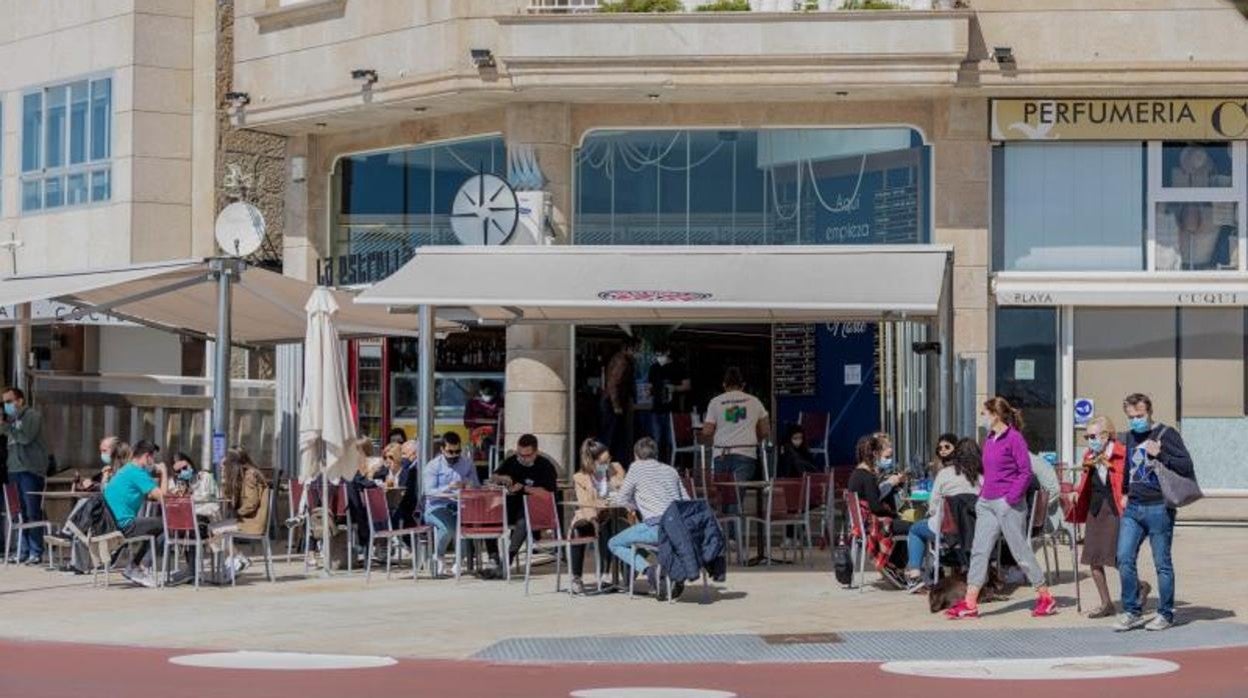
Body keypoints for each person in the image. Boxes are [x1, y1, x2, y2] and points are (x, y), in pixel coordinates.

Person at [947, 397, 1055, 620]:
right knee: (979, 550)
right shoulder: (990, 439)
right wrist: (983, 495)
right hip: (987, 501)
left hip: (1008, 503)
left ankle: (1045, 596)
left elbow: (1025, 472)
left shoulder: (1014, 438)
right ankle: (970, 602)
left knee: (1020, 551)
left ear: (995, 415)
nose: (982, 418)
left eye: (984, 414)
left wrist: (1010, 498)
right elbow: (989, 472)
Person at [1115, 393, 1194, 632]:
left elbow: (1186, 465)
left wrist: (1160, 453)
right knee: (1123, 557)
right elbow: (1129, 466)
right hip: (1134, 506)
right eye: (1131, 417)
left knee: (1162, 563)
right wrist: (1125, 491)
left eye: (1140, 416)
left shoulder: (1166, 434)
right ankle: (1132, 610)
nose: (1136, 421)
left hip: (1159, 506)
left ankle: (1166, 612)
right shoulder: (1129, 437)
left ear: (1149, 412)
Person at [607, 437, 689, 597]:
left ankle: (650, 571)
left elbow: (622, 499)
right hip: (678, 528)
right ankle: (671, 572)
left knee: (614, 543)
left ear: (636, 455)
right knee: (659, 545)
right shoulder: (670, 470)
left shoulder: (636, 468)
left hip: (656, 527)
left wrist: (636, 506)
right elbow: (685, 500)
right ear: (656, 454)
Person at [1069, 416, 1128, 619]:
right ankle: (1106, 603)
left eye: (1092, 435)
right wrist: (1076, 491)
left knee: (1117, 557)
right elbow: (1085, 479)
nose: (1089, 439)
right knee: (1093, 558)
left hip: (1114, 509)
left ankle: (1137, 587)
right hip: (1095, 510)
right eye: (1087, 436)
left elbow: (1125, 480)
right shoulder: (1090, 455)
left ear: (1105, 435)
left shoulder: (1121, 453)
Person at [904, 437, 982, 592]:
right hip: (975, 529)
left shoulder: (945, 473)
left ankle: (915, 575)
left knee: (915, 529)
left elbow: (933, 506)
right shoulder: (981, 477)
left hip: (947, 528)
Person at [482, 433, 560, 579]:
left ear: (535, 452)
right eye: (520, 454)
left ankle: (508, 559)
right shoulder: (513, 461)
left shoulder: (545, 466)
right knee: (490, 514)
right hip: (512, 504)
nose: (523, 458)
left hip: (535, 508)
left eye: (527, 455)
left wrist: (524, 488)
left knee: (524, 519)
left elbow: (548, 494)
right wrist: (502, 478)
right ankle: (493, 558)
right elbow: (494, 476)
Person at [847, 433, 910, 588]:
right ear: (875, 454)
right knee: (912, 528)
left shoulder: (855, 474)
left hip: (861, 525)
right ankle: (893, 565)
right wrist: (892, 513)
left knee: (901, 524)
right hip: (871, 525)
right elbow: (875, 507)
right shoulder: (867, 477)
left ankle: (893, 566)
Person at [101, 440, 168, 587]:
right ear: (146, 456)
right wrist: (164, 472)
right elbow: (163, 497)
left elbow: (150, 494)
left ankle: (137, 565)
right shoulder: (137, 473)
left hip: (111, 523)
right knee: (166, 524)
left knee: (153, 527)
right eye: (153, 458)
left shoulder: (126, 470)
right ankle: (138, 567)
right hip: (124, 524)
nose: (154, 462)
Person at [569, 438, 626, 595]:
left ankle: (606, 575)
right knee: (579, 529)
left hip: (615, 513)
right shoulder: (580, 477)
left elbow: (625, 490)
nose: (607, 463)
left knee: (607, 525)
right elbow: (585, 503)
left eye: (609, 459)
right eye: (603, 461)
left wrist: (609, 481)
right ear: (591, 461)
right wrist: (594, 518)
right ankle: (576, 578)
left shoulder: (616, 468)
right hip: (591, 515)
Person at [0, 387, 50, 565]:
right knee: (17, 512)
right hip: (13, 470)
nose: (6, 405)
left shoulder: (31, 416)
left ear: (19, 400)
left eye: (8, 401)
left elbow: (25, 438)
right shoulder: (11, 420)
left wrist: (5, 427)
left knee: (32, 511)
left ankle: (36, 551)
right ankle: (22, 551)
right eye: (4, 402)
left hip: (30, 470)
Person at [421, 432, 480, 576]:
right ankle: (439, 556)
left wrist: (468, 483)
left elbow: (477, 486)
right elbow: (428, 491)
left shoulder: (466, 463)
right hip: (436, 506)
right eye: (450, 451)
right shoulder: (433, 466)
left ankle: (459, 560)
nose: (454, 455)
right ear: (442, 449)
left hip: (461, 505)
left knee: (467, 528)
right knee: (450, 529)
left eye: (457, 451)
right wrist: (449, 487)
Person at [703, 367, 770, 487]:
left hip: (721, 454)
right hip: (746, 453)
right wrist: (755, 438)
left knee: (724, 497)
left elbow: (707, 431)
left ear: (724, 385)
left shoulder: (715, 402)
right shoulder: (755, 401)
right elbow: (765, 431)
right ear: (743, 385)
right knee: (736, 496)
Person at [217, 447, 271, 577]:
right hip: (248, 520)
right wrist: (225, 478)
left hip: (252, 523)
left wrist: (237, 513)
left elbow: (250, 504)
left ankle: (237, 561)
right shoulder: (245, 474)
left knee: (215, 531)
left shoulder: (250, 475)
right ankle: (235, 562)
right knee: (213, 529)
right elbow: (229, 497)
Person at [646, 344, 690, 460]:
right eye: (657, 355)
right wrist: (647, 391)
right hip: (657, 409)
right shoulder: (653, 368)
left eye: (661, 354)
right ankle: (656, 464)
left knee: (673, 441)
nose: (659, 357)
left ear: (668, 352)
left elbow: (687, 385)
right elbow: (649, 387)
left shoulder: (679, 367)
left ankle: (674, 464)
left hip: (673, 411)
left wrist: (675, 388)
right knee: (657, 440)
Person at [601, 337, 640, 465]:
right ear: (627, 348)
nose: (637, 352)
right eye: (635, 349)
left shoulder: (621, 359)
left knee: (613, 436)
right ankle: (605, 467)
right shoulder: (622, 361)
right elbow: (613, 384)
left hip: (612, 402)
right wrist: (616, 405)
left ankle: (611, 465)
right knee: (611, 437)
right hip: (612, 403)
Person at [170, 452, 220, 521]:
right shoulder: (178, 483)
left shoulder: (206, 477)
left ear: (190, 463)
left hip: (208, 518)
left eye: (185, 468)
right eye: (178, 471)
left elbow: (214, 502)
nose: (183, 472)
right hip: (187, 520)